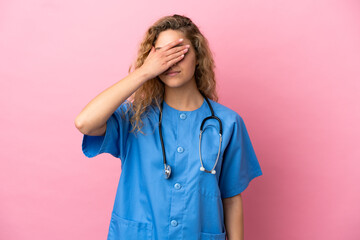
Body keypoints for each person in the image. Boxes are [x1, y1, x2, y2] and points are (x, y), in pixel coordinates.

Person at [75, 14, 263, 240]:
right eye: (161, 55)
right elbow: (85, 122)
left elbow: (231, 199)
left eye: (179, 52)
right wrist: (144, 72)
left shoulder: (228, 123)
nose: (170, 62)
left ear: (197, 55)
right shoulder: (134, 117)